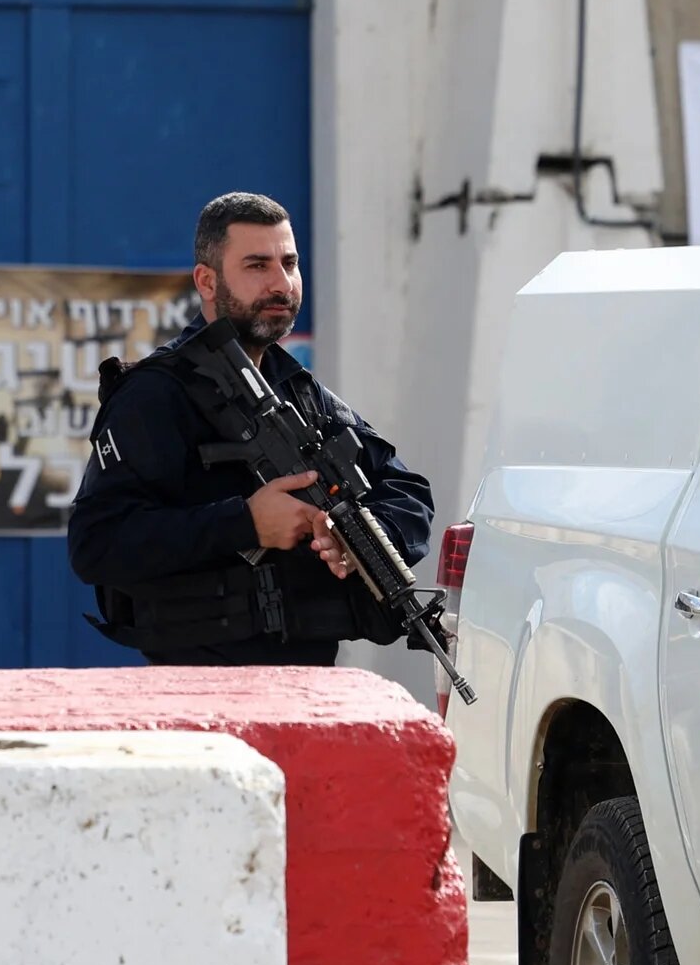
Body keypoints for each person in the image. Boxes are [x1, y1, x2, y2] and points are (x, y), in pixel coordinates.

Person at [68, 192, 435, 666]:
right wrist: (245, 523)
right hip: (198, 688)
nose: (281, 283)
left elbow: (407, 491)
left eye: (290, 263)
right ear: (207, 280)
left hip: (308, 683)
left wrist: (357, 537)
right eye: (258, 266)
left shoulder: (298, 390)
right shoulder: (156, 396)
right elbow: (96, 543)